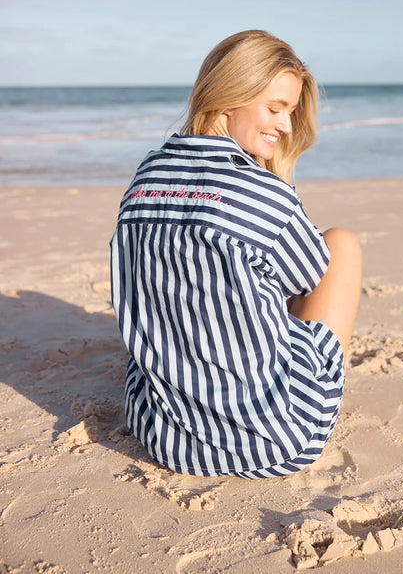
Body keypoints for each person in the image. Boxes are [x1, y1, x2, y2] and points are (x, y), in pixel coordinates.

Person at [110, 30, 362, 479]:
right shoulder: (264, 194)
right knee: (341, 244)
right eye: (275, 108)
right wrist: (275, 192)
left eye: (290, 112)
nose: (286, 126)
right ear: (230, 96)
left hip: (164, 437)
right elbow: (307, 280)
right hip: (276, 441)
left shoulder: (147, 173)